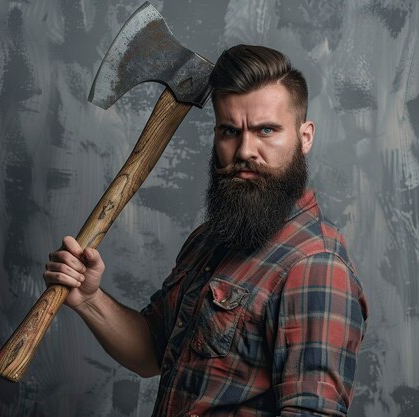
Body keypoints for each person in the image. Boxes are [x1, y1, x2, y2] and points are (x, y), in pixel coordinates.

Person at [44, 45, 368, 416]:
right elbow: (152, 352)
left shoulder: (315, 266)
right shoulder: (209, 240)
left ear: (305, 136)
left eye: (266, 130)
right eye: (230, 131)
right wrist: (89, 298)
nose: (246, 150)